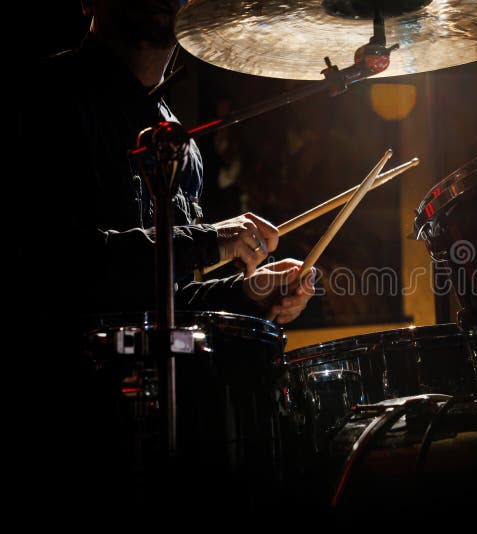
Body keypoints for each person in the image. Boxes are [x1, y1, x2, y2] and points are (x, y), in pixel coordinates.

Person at [10, 0, 315, 516]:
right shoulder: (47, 96)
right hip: (68, 422)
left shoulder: (180, 139)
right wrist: (206, 240)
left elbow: (163, 297)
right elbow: (62, 264)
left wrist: (247, 291)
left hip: (169, 424)